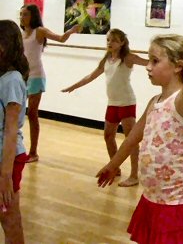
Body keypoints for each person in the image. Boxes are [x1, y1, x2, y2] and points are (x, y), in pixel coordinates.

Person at [96, 10, 183, 244]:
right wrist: (113, 165)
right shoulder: (154, 102)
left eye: (155, 61)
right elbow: (132, 138)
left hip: (179, 202)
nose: (148, 67)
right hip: (153, 199)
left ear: (178, 66)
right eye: (149, 60)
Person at [62, 29, 149, 187]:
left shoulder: (128, 58)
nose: (110, 43)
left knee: (131, 139)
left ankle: (134, 175)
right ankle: (114, 167)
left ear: (122, 42)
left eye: (114, 40)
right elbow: (91, 76)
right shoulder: (106, 60)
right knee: (108, 136)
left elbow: (148, 62)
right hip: (112, 103)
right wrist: (74, 86)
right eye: (108, 40)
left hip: (127, 103)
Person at [19, 4, 80, 163]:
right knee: (17, 111)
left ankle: (33, 152)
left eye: (25, 14)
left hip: (36, 77)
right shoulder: (21, 33)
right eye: (21, 14)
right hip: (22, 77)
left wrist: (70, 31)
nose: (22, 17)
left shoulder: (40, 31)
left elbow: (60, 39)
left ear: (33, 16)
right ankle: (16, 147)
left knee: (32, 114)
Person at [0, 20, 30, 244]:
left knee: (9, 217)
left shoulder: (12, 80)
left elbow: (11, 130)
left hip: (7, 158)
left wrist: (5, 176)